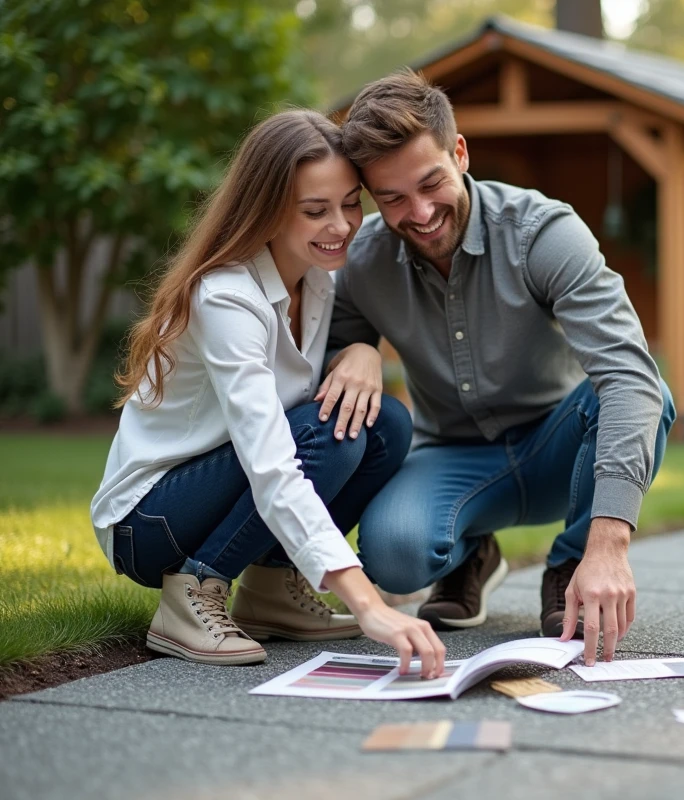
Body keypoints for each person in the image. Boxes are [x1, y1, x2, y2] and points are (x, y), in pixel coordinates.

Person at [321, 70, 676, 667]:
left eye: (431, 182)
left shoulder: (542, 233)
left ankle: (569, 561)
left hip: (559, 451)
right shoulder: (362, 260)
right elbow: (325, 358)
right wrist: (352, 349)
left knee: (650, 392)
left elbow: (629, 377)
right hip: (453, 456)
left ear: (460, 152)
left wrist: (608, 543)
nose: (421, 211)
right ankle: (471, 556)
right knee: (393, 555)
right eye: (393, 198)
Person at [90, 109, 446, 676]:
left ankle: (274, 591)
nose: (342, 225)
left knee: (385, 427)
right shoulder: (228, 296)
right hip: (150, 521)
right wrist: (368, 603)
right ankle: (194, 594)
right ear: (268, 209)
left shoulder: (320, 276)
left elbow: (311, 384)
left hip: (224, 490)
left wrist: (361, 351)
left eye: (351, 203)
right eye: (315, 211)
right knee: (327, 430)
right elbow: (273, 462)